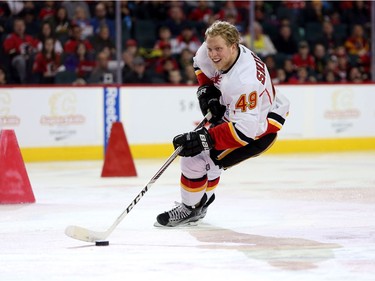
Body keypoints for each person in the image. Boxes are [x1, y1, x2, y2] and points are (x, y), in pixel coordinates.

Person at [155, 21, 290, 227]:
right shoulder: (209, 50)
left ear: (233, 46)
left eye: (219, 49)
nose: (213, 54)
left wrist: (205, 138)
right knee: (209, 161)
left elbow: (245, 132)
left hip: (258, 132)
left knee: (194, 159)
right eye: (210, 48)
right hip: (238, 114)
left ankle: (190, 209)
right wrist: (207, 92)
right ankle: (202, 202)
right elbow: (200, 65)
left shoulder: (245, 81)